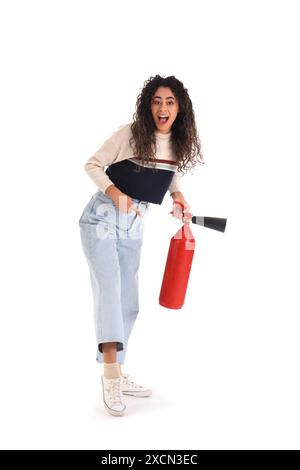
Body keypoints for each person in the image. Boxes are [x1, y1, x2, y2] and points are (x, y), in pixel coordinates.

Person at [78, 74, 204, 417]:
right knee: (109, 292)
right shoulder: (130, 133)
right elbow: (92, 164)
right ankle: (110, 375)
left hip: (134, 222)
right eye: (157, 101)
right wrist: (115, 193)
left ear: (180, 108)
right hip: (102, 220)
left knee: (129, 303)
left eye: (170, 102)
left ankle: (117, 368)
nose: (163, 108)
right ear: (148, 105)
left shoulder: (177, 143)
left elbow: (170, 174)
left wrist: (178, 197)